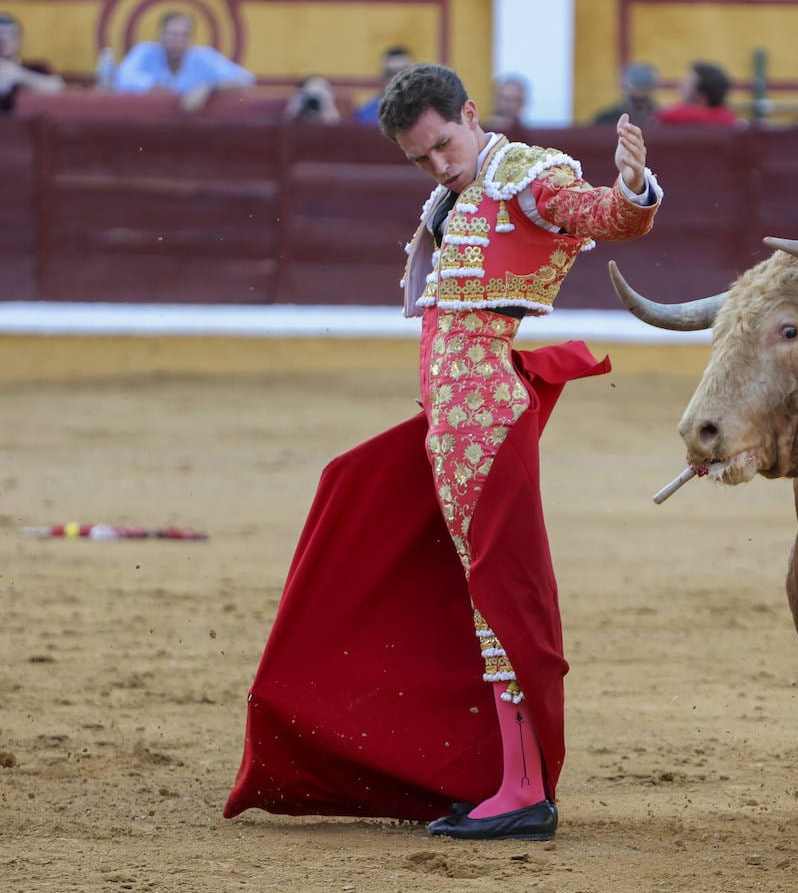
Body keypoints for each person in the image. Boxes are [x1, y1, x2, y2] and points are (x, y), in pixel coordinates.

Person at [224, 63, 662, 842]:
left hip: (481, 416)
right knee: (445, 563)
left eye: (442, 146)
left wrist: (632, 191)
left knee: (499, 596)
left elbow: (598, 214)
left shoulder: (526, 172)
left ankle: (525, 790)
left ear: (467, 113)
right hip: (454, 418)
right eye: (418, 158)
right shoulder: (452, 195)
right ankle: (502, 778)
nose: (437, 165)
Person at [113, 11, 253, 111]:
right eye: (172, 34)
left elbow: (245, 79)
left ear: (190, 39)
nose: (177, 40)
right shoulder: (145, 52)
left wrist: (207, 89)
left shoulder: (203, 56)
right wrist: (157, 88)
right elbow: (123, 77)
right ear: (160, 35)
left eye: (184, 35)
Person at [0, 12, 64, 114]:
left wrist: (18, 75)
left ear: (19, 40)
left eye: (10, 35)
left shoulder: (37, 68)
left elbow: (57, 87)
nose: (4, 40)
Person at [657, 60, 738, 126]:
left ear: (702, 96)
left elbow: (667, 115)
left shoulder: (674, 117)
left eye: (688, 82)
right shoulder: (728, 119)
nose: (681, 85)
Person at [354, 45, 414, 125]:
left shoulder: (425, 112)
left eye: (403, 72)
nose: (397, 79)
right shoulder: (366, 113)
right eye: (390, 73)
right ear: (382, 76)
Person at [593, 61, 659, 126]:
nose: (639, 105)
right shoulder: (606, 120)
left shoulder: (660, 119)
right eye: (635, 100)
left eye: (643, 100)